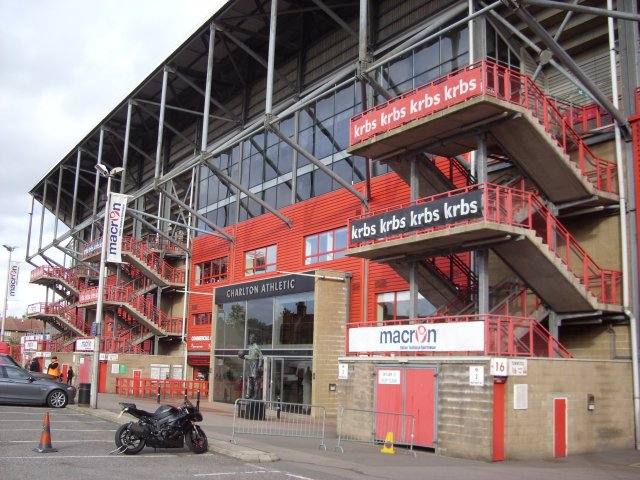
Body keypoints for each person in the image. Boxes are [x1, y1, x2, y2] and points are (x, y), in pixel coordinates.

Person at [238, 334, 263, 399]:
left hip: (255, 363)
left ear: (254, 339)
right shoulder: (250, 347)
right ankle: (249, 394)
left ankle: (255, 395)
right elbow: (250, 357)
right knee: (250, 380)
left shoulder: (256, 347)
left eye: (251, 338)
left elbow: (260, 356)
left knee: (255, 381)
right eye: (249, 338)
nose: (250, 339)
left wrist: (260, 365)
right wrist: (243, 357)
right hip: (250, 363)